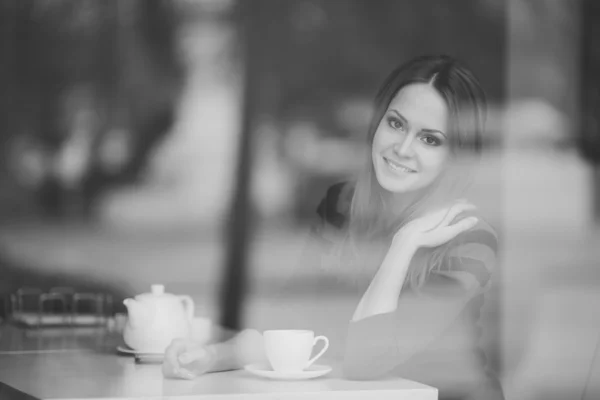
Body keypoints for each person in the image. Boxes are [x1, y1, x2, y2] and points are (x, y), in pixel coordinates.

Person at [162, 54, 505, 400]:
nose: (402, 148)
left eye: (430, 139)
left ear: (455, 155)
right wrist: (209, 356)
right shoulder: (343, 205)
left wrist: (403, 245)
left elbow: (367, 362)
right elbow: (292, 328)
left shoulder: (471, 242)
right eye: (397, 124)